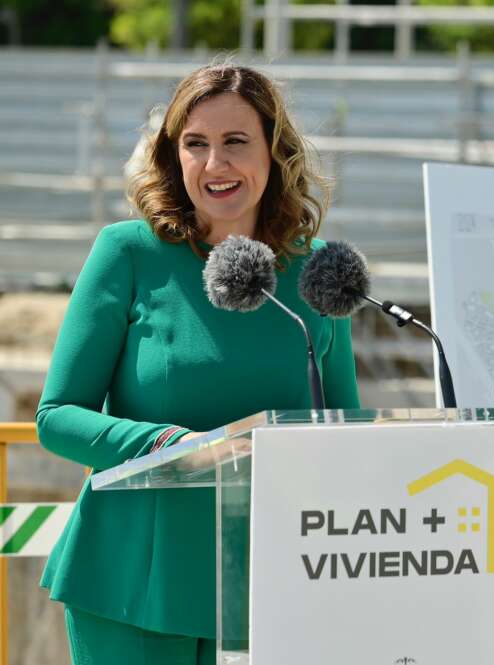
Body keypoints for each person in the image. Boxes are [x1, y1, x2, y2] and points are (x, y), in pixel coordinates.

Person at [36, 64, 360, 665]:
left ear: (275, 151)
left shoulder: (319, 272)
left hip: (276, 585)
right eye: (196, 144)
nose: (216, 165)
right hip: (134, 584)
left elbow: (349, 434)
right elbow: (57, 417)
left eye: (236, 142)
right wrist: (169, 445)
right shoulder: (127, 253)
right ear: (173, 157)